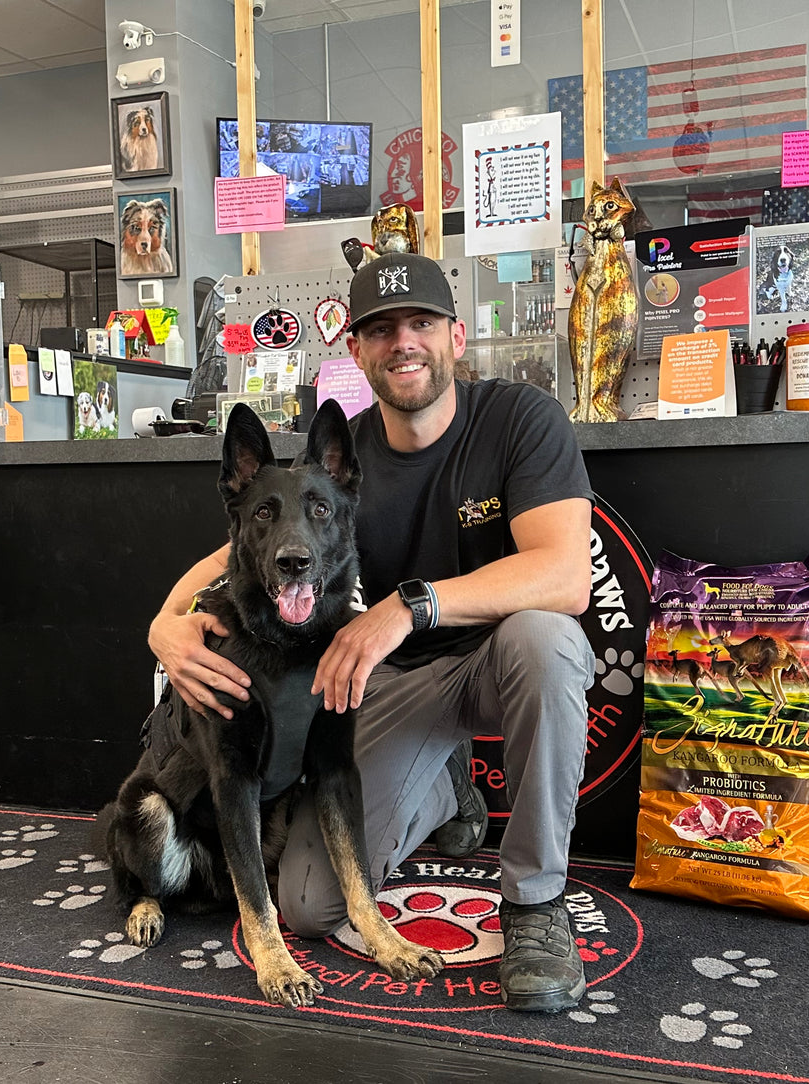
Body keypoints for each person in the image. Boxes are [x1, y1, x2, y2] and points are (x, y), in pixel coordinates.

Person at [148, 252, 594, 1013]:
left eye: (420, 323)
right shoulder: (338, 458)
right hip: (389, 688)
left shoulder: (520, 419)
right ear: (355, 350)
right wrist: (163, 626)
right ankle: (444, 792)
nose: (403, 343)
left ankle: (535, 901)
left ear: (455, 336)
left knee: (544, 641)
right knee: (311, 907)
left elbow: (565, 578)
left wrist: (408, 606)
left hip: (495, 664)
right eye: (380, 330)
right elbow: (236, 554)